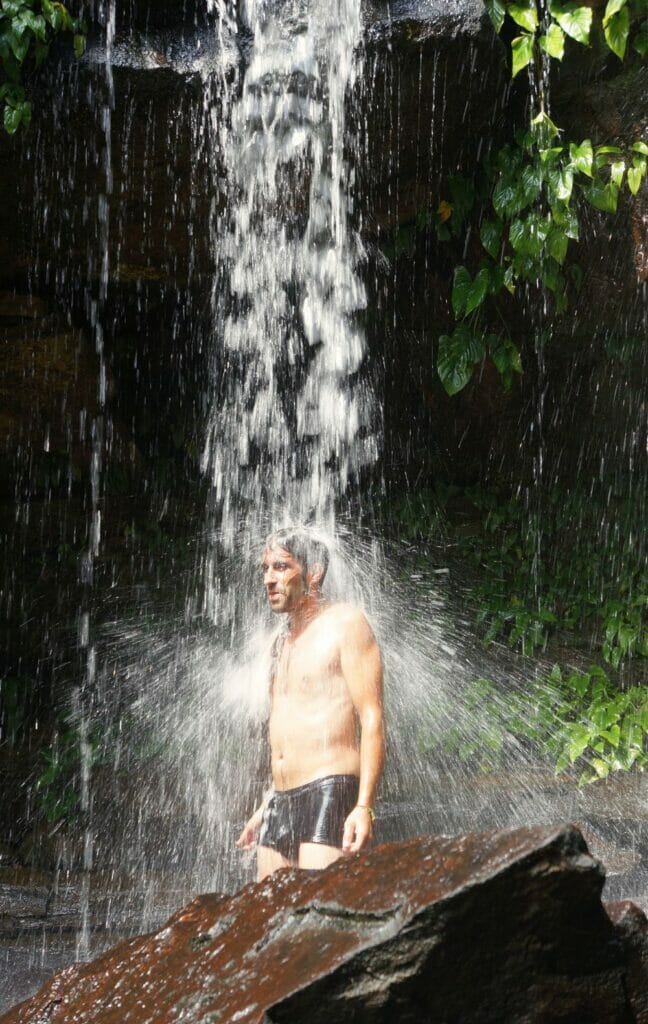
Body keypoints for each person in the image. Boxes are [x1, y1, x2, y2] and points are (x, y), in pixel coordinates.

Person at [236, 526, 385, 879]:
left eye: (281, 567)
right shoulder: (278, 642)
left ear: (313, 572)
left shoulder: (346, 624)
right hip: (280, 801)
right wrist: (266, 804)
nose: (269, 580)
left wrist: (364, 806)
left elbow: (372, 718)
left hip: (329, 790)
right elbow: (288, 728)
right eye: (265, 569)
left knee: (318, 924)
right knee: (270, 923)